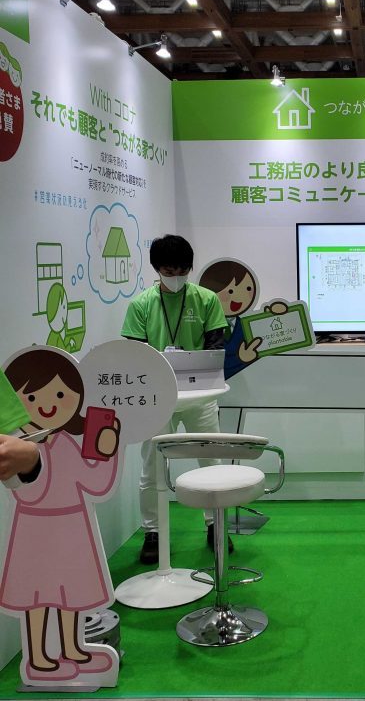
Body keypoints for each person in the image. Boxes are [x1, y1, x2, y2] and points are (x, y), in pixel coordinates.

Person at [1, 348, 120, 682]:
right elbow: (28, 490)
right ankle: (39, 658)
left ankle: (72, 649)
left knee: (72, 591)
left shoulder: (67, 441)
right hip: (34, 529)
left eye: (59, 394)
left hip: (74, 524)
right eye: (32, 396)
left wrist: (109, 451)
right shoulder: (19, 444)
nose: (48, 405)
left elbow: (96, 484)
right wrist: (30, 459)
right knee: (37, 594)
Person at [121, 234, 230, 564]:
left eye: (183, 270)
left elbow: (215, 346)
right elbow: (135, 353)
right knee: (152, 466)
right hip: (157, 397)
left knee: (211, 460)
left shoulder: (206, 299)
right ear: (157, 268)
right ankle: (152, 532)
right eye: (169, 270)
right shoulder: (141, 305)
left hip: (201, 395)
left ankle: (215, 525)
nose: (177, 276)